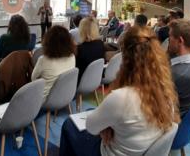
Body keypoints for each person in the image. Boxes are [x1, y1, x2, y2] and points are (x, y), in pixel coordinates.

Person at [59, 26, 180, 156]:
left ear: (125, 58)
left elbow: (91, 127)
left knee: (69, 124)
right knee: (91, 114)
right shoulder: (166, 93)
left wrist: (105, 128)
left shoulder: (121, 98)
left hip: (110, 151)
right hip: (139, 149)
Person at [31, 26, 76, 100]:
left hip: (45, 99)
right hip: (66, 95)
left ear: (48, 42)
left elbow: (33, 79)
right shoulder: (72, 57)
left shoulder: (43, 60)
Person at [76, 17, 105, 83]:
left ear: (81, 30)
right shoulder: (100, 44)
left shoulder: (80, 49)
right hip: (96, 79)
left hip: (81, 82)